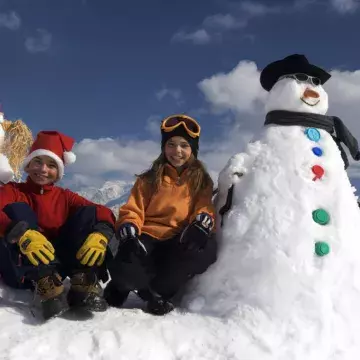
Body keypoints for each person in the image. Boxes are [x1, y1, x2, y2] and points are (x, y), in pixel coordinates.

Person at [105, 114, 217, 315]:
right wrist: (130, 234)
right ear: (164, 148)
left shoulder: (202, 181)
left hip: (177, 239)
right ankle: (122, 285)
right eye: (171, 144)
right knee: (127, 262)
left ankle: (156, 292)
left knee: (205, 249)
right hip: (147, 238)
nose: (177, 151)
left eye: (184, 145)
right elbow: (133, 209)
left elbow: (204, 206)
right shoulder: (149, 179)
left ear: (193, 149)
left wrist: (200, 225)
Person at [0, 131, 116, 320]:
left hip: (57, 268)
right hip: (21, 271)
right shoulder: (12, 191)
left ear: (59, 172)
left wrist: (101, 233)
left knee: (88, 213)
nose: (44, 169)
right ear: (28, 164)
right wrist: (18, 232)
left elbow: (102, 211)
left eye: (51, 165)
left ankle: (82, 283)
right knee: (17, 210)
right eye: (38, 161)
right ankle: (44, 286)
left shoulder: (65, 196)